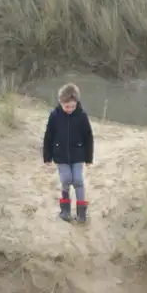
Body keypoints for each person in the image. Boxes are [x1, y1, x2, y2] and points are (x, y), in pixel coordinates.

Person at [42, 83, 94, 223]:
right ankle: (65, 210)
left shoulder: (82, 116)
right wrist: (47, 156)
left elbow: (88, 137)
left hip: (78, 154)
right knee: (66, 179)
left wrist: (89, 158)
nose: (70, 109)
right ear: (60, 102)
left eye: (73, 106)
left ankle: (81, 212)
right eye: (67, 107)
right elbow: (49, 136)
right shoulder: (54, 116)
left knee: (78, 180)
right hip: (61, 156)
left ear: (76, 103)